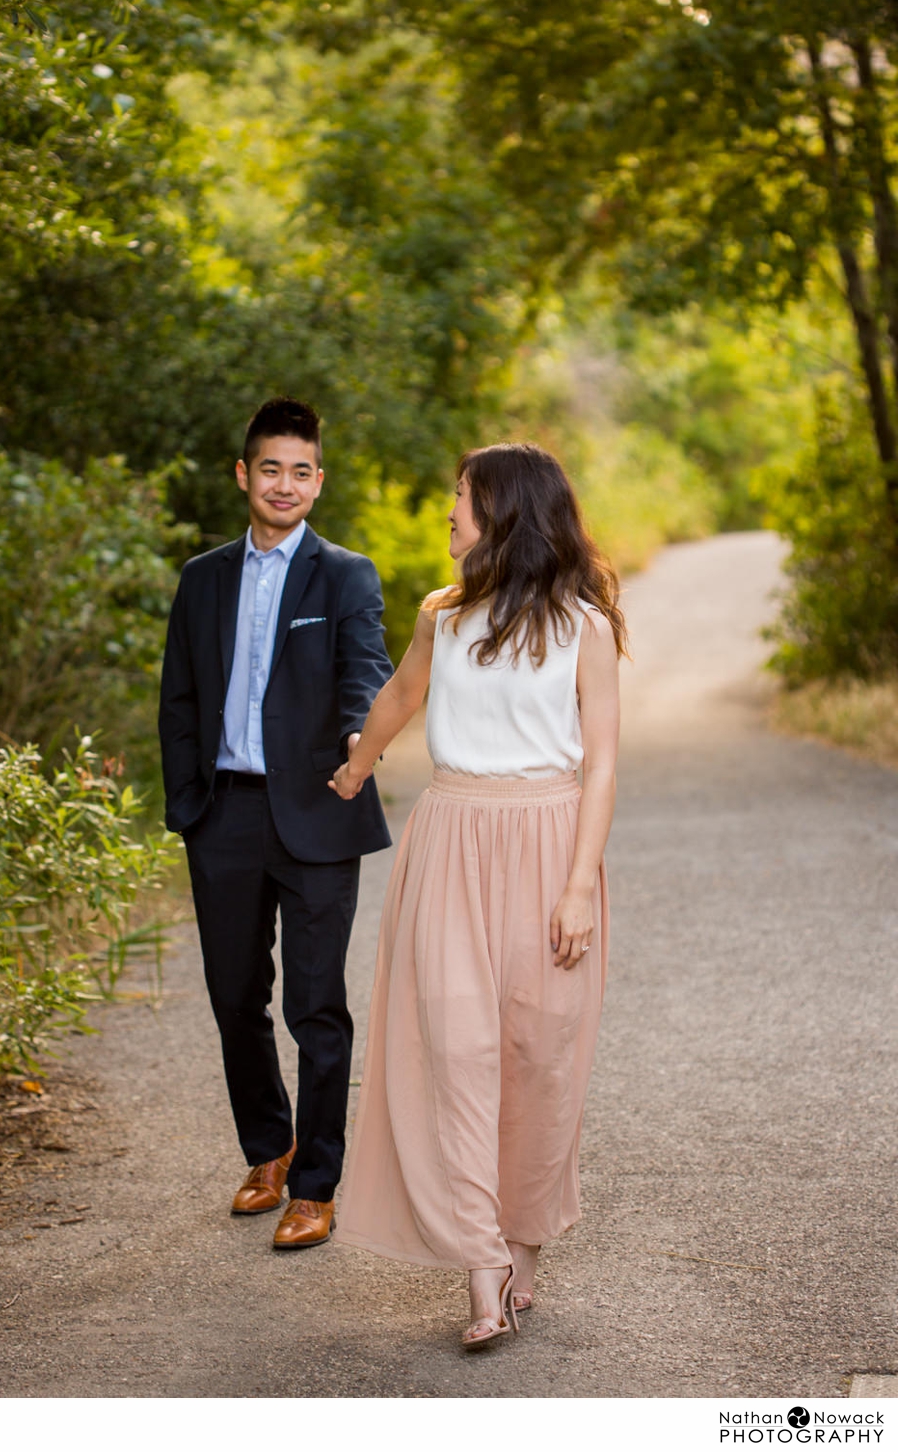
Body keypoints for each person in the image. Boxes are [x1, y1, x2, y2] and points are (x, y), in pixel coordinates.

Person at [329, 442, 625, 1344]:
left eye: (460, 498)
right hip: (451, 838)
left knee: (539, 1055)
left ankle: (521, 1235)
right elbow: (401, 697)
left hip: (547, 841)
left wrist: (578, 886)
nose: (448, 514)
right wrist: (358, 760)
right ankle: (481, 1263)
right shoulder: (441, 616)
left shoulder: (585, 627)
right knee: (453, 1048)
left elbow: (603, 758)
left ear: (506, 513)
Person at [158, 397, 394, 1249]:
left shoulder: (346, 575)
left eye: (301, 470)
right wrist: (190, 805)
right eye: (270, 468)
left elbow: (367, 668)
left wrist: (361, 741)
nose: (284, 484)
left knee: (317, 1005)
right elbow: (178, 700)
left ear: (318, 482)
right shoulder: (202, 578)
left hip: (321, 810)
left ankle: (318, 1184)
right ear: (243, 475)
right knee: (233, 996)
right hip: (222, 813)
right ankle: (269, 1149)